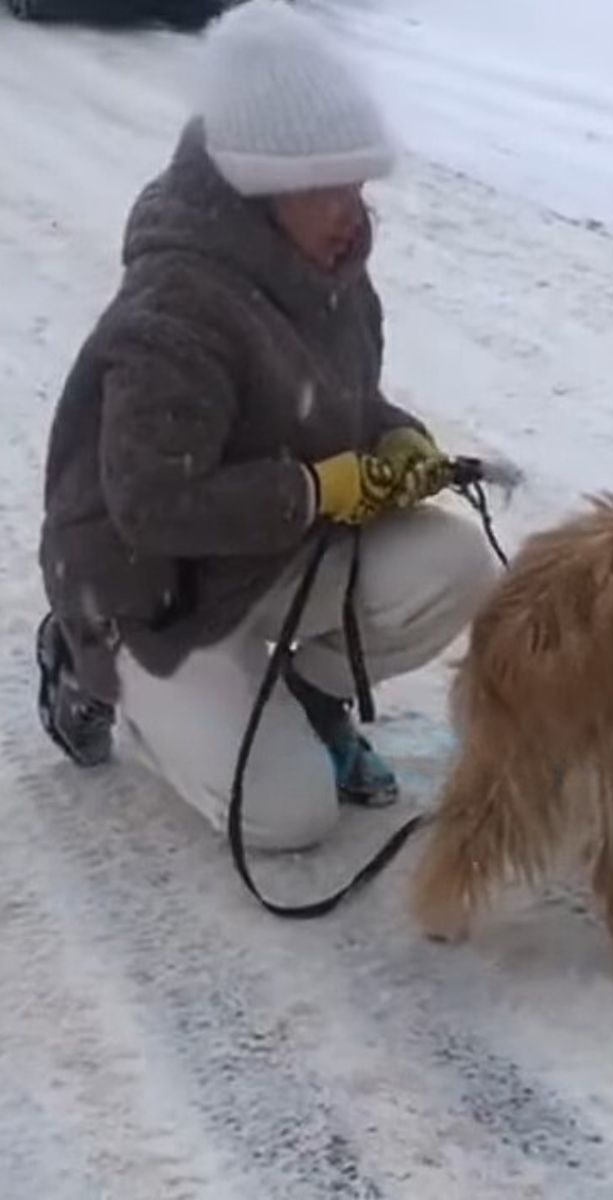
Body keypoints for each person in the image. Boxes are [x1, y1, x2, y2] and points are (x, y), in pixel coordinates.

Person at [35, 0, 497, 850]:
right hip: (153, 596)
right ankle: (92, 667)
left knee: (456, 562)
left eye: (357, 184)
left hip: (265, 558)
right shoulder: (175, 306)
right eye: (329, 188)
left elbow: (338, 404)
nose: (352, 213)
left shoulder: (328, 267)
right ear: (260, 185)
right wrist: (320, 487)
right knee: (291, 819)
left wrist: (395, 440)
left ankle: (308, 695)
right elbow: (151, 506)